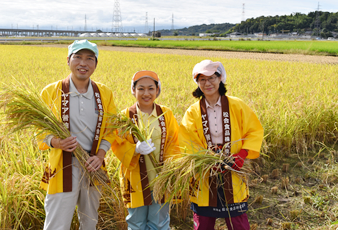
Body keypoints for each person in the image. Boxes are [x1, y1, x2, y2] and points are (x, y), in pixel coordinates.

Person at [38, 39, 117, 230]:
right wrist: (55, 142)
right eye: (78, 57)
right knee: (57, 223)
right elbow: (38, 130)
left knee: (90, 222)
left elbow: (112, 128)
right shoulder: (51, 92)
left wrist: (100, 155)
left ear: (96, 64)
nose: (84, 63)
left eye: (90, 58)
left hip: (93, 166)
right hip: (63, 166)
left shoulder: (104, 93)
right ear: (68, 60)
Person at [179, 60, 264, 230]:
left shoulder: (237, 105)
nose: (207, 83)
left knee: (237, 222)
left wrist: (242, 155)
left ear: (221, 79)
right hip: (205, 170)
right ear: (197, 82)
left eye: (212, 78)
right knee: (203, 222)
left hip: (233, 168)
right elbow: (187, 140)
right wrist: (208, 159)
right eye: (202, 79)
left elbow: (254, 131)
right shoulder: (193, 111)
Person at [111, 70, 180, 230]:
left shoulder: (166, 114)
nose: (146, 93)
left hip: (161, 179)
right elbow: (117, 144)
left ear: (157, 90)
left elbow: (174, 142)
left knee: (160, 223)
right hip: (135, 179)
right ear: (133, 90)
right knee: (136, 223)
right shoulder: (125, 116)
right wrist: (134, 149)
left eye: (151, 88)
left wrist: (168, 168)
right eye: (141, 88)